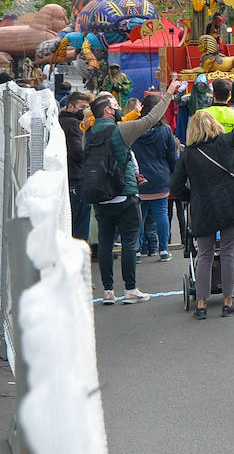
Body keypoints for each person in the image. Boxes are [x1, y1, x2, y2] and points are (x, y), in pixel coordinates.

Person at [170, 79, 234, 319]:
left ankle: (202, 305)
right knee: (229, 252)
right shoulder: (225, 143)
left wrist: (191, 196)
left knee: (204, 254)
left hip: (202, 208)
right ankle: (228, 301)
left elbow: (175, 185)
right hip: (229, 204)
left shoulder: (188, 155)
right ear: (214, 126)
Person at [89, 82, 181, 305]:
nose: (118, 107)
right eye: (113, 105)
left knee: (106, 242)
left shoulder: (89, 133)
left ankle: (108, 292)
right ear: (108, 111)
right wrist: (168, 94)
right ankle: (130, 288)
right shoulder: (122, 131)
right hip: (124, 194)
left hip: (100, 195)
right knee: (130, 242)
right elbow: (150, 119)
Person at [131, 90, 180, 262]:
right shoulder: (166, 130)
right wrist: (176, 176)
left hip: (139, 178)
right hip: (161, 178)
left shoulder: (134, 129)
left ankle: (136, 250)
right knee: (161, 215)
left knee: (139, 217)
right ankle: (164, 249)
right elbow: (172, 157)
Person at [61, 91, 92, 247]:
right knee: (80, 222)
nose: (85, 110)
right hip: (77, 177)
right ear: (71, 106)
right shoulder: (73, 125)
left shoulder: (60, 121)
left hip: (68, 176)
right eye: (82, 107)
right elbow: (77, 151)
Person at [204, 78, 234, 151]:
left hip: (208, 157)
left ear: (213, 94)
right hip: (231, 158)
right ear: (229, 95)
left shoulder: (201, 114)